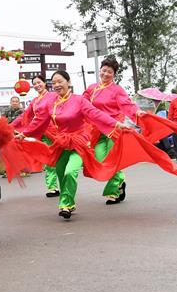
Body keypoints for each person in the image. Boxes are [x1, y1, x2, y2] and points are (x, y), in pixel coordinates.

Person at [15, 70, 130, 219]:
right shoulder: (51, 103)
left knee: (70, 172)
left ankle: (66, 203)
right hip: (61, 142)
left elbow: (95, 113)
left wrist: (116, 124)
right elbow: (39, 120)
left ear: (68, 82)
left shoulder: (79, 100)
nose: (56, 85)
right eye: (54, 83)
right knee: (61, 173)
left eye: (60, 81)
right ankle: (67, 204)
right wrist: (24, 133)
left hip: (79, 142)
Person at [84, 57, 142, 205]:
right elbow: (81, 103)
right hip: (96, 129)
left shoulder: (117, 90)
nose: (106, 74)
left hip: (114, 128)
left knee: (112, 160)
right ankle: (120, 180)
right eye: (104, 70)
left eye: (109, 72)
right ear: (100, 71)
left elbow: (127, 105)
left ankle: (114, 191)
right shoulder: (92, 88)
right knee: (99, 158)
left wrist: (137, 113)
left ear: (114, 74)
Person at [10, 75, 59, 197]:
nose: (37, 85)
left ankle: (58, 185)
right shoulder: (35, 101)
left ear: (45, 83)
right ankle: (52, 187)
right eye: (35, 84)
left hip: (54, 132)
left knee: (58, 158)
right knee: (48, 158)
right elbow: (25, 116)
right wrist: (10, 126)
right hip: (40, 133)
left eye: (39, 83)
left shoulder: (53, 96)